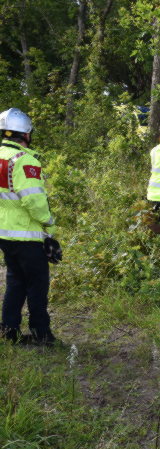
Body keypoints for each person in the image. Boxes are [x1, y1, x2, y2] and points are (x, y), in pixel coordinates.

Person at [0, 108, 61, 345]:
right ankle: (41, 333)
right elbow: (33, 201)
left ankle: (9, 330)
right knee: (37, 285)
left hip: (5, 234)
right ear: (26, 134)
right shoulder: (24, 160)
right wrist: (49, 224)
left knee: (15, 281)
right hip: (26, 235)